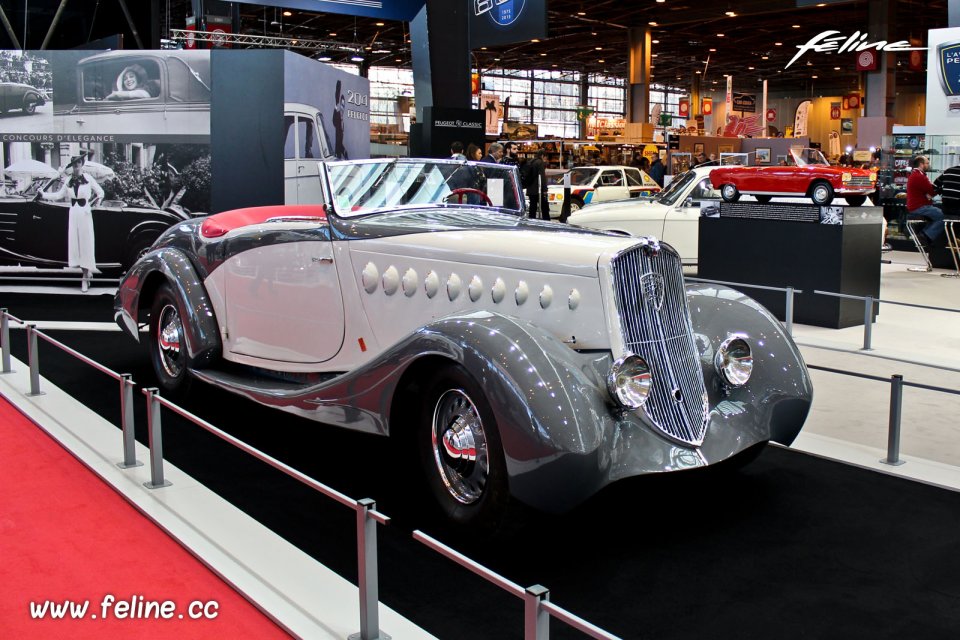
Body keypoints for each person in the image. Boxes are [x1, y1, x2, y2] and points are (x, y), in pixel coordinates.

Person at [41, 155, 104, 292]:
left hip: (85, 214)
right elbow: (58, 195)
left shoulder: (88, 179)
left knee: (86, 244)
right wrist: (43, 195)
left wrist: (93, 204)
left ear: (82, 164)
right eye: (74, 164)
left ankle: (85, 277)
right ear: (72, 166)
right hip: (74, 214)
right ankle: (87, 273)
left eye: (79, 163)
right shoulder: (69, 180)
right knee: (77, 244)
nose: (76, 166)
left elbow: (100, 192)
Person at [905, 155, 945, 249]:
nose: (928, 165)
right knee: (943, 217)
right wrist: (939, 190)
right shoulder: (919, 176)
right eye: (927, 163)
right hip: (920, 207)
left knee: (937, 215)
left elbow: (930, 192)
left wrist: (931, 192)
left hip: (918, 205)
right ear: (921, 164)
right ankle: (926, 235)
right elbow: (932, 191)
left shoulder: (916, 175)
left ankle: (926, 235)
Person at [523, 151, 549, 221]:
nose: (546, 160)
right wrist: (545, 190)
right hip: (538, 190)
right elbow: (542, 177)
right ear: (543, 155)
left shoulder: (530, 161)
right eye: (546, 158)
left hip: (530, 189)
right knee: (545, 208)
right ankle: (547, 222)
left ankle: (531, 222)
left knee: (532, 208)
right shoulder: (540, 163)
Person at [332, 80, 348, 160]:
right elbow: (334, 122)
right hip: (336, 152)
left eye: (343, 105)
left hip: (339, 151)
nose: (342, 107)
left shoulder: (342, 120)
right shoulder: (338, 116)